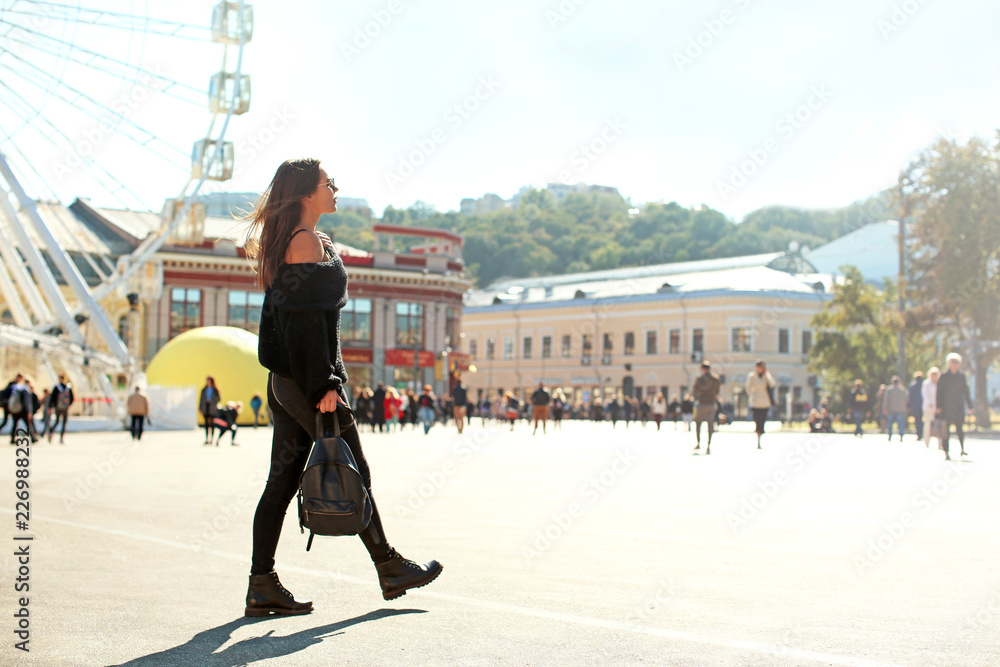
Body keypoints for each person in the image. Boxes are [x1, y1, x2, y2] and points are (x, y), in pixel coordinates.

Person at [246, 158, 441, 616]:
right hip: (306, 381)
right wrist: (324, 385)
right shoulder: (303, 242)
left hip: (286, 380)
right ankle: (389, 566)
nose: (335, 188)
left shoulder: (301, 242)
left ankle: (262, 585)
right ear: (305, 194)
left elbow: (303, 316)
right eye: (327, 183)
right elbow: (305, 326)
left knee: (282, 482)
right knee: (355, 470)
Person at [936, 353, 973, 460]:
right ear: (949, 363)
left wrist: (970, 406)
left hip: (958, 406)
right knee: (945, 430)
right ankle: (946, 451)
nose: (955, 364)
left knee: (959, 428)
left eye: (957, 362)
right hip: (946, 406)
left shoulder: (961, 376)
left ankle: (962, 448)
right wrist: (938, 406)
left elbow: (966, 392)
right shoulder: (944, 376)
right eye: (953, 362)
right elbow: (939, 392)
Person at [692, 361, 721, 454]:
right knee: (710, 425)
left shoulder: (699, 378)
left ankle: (698, 442)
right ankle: (708, 445)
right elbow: (717, 392)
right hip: (711, 404)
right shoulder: (715, 379)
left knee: (698, 424)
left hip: (701, 404)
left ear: (702, 369)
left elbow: (695, 391)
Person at [746, 359, 775, 449]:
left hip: (764, 402)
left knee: (762, 421)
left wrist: (767, 374)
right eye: (760, 366)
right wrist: (752, 396)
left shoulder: (766, 376)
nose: (761, 369)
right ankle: (757, 437)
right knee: (757, 421)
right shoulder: (752, 376)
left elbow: (772, 384)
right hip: (755, 403)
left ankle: (760, 437)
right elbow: (748, 388)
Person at [7, 376, 34, 444]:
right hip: (23, 411)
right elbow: (27, 402)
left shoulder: (16, 388)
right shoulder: (25, 390)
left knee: (15, 424)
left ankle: (12, 438)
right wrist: (29, 411)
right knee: (28, 424)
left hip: (15, 410)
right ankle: (33, 437)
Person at [49, 373, 74, 444]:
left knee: (57, 421)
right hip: (65, 408)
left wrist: (51, 406)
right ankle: (61, 438)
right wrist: (68, 405)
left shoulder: (56, 387)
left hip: (58, 407)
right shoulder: (67, 387)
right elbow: (72, 398)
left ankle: (51, 432)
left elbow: (52, 398)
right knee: (64, 422)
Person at [881, 376, 908, 441]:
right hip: (900, 409)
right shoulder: (902, 390)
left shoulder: (889, 390)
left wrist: (885, 409)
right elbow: (906, 399)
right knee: (900, 423)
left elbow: (886, 400)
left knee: (890, 423)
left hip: (891, 409)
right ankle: (901, 435)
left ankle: (890, 435)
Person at [922, 367, 940, 448]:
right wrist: (930, 402)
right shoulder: (926, 383)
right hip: (928, 408)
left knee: (939, 425)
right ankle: (926, 442)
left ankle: (940, 443)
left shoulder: (939, 383)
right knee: (928, 425)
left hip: (938, 408)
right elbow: (925, 394)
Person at [199, 376, 221, 445]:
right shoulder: (204, 389)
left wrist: (213, 402)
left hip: (212, 408)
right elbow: (201, 399)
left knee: (212, 424)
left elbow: (219, 398)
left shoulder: (215, 389)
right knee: (206, 424)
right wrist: (200, 408)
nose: (208, 382)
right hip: (205, 407)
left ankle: (212, 439)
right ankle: (207, 439)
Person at [908, 372, 925, 441]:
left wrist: (909, 405)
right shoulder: (924, 384)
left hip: (915, 405)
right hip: (923, 404)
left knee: (918, 420)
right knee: (923, 420)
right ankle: (922, 433)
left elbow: (910, 396)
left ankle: (919, 434)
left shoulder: (912, 385)